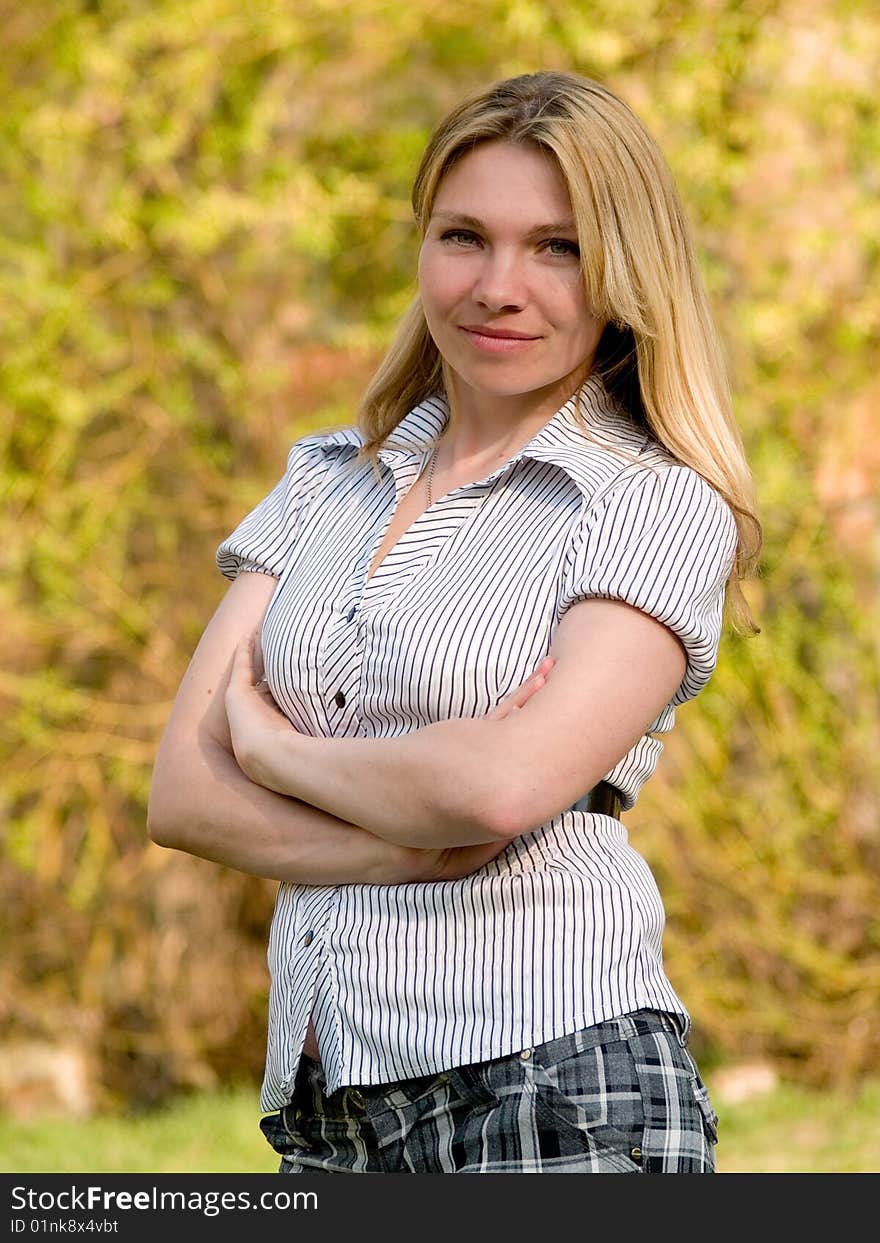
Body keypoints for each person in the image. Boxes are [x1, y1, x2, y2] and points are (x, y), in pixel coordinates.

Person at [148, 69, 761, 1174]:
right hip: (327, 1096)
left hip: (554, 1079)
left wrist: (273, 747)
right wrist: (406, 839)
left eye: (557, 248)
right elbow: (183, 794)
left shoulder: (652, 501)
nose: (497, 286)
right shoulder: (323, 482)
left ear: (626, 271)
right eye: (463, 236)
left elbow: (501, 789)